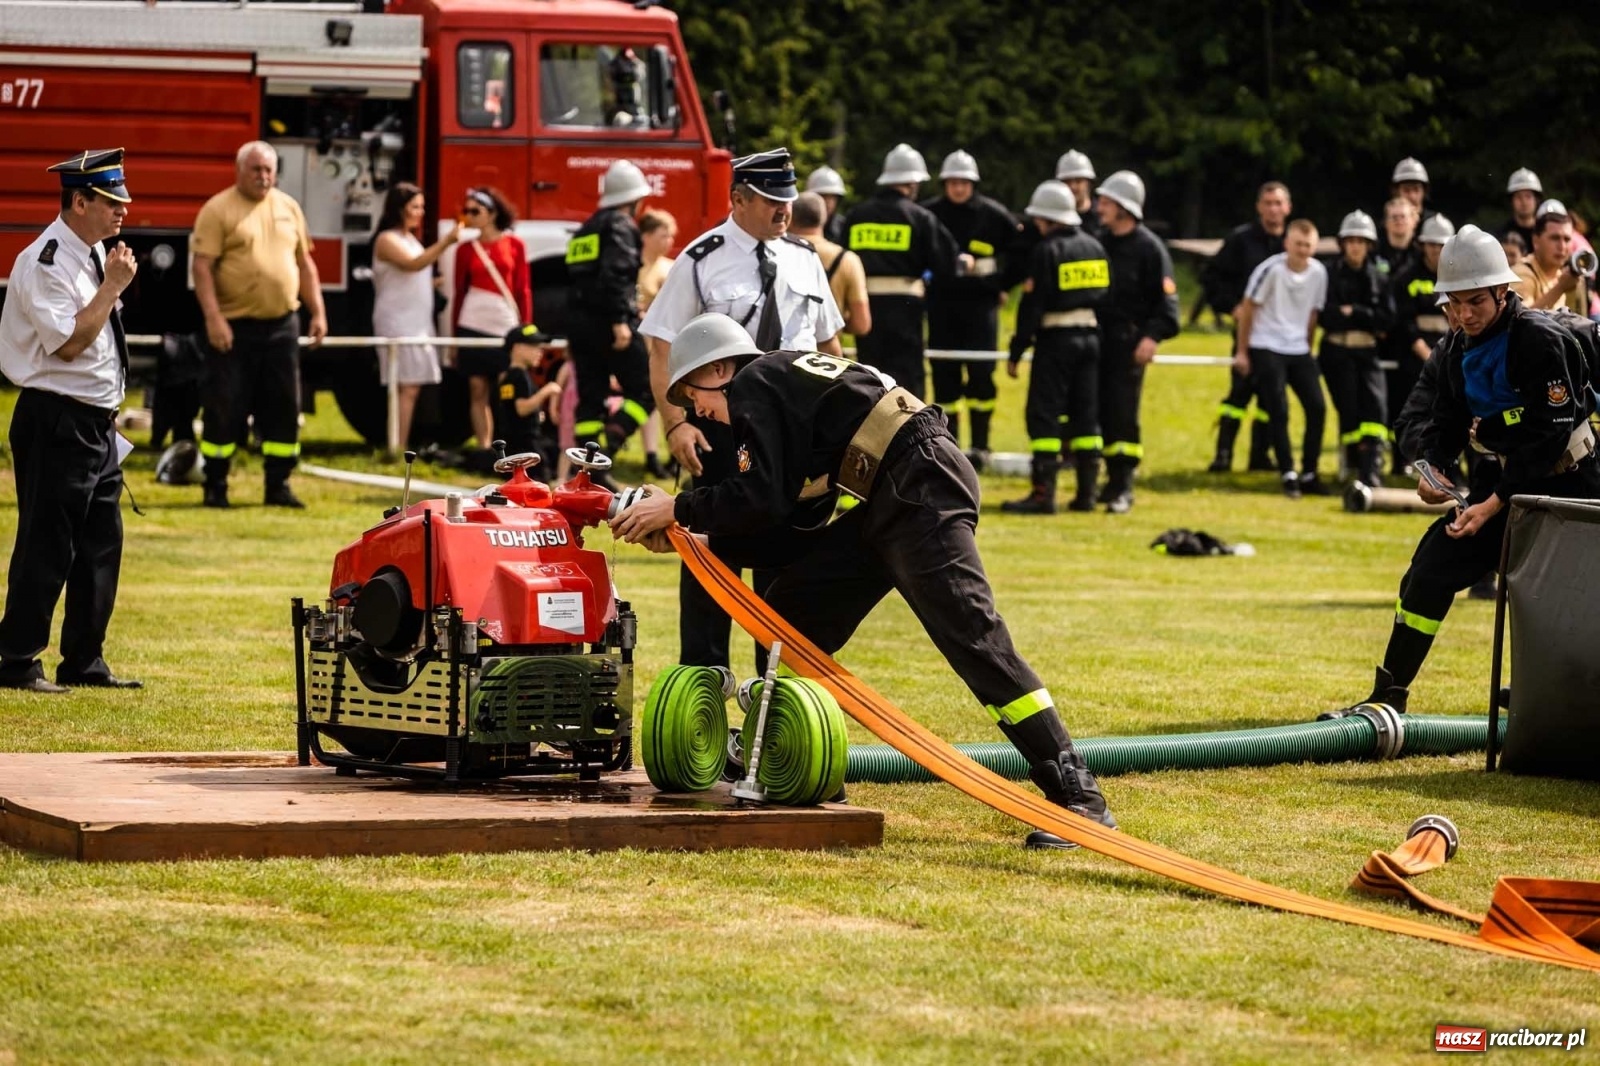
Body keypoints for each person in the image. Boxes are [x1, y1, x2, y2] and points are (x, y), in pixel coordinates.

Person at [611, 312, 1118, 849]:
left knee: (973, 637)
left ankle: (1078, 796)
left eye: (694, 398)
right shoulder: (788, 394)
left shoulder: (755, 382)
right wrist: (704, 542)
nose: (701, 413)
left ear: (716, 370)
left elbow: (761, 498)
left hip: (918, 485)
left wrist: (679, 509)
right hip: (895, 491)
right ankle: (794, 763)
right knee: (789, 612)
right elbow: (789, 529)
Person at [1323, 225, 1598, 718]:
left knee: (1565, 597)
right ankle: (1389, 696)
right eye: (1453, 304)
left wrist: (1492, 504)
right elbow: (1443, 423)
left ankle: (1552, 697)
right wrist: (1434, 469)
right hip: (1509, 487)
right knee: (1431, 567)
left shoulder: (1537, 339)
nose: (1463, 315)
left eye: (1475, 302)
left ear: (1502, 291)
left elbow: (1548, 434)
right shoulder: (1453, 349)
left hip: (1572, 485)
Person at [639, 146, 845, 671]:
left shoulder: (804, 258)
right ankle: (704, 692)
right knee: (711, 556)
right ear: (738, 199)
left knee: (787, 565)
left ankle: (775, 695)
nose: (784, 211)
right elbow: (662, 346)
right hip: (719, 429)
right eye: (772, 201)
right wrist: (676, 422)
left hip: (793, 434)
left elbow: (830, 350)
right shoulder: (701, 258)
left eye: (788, 201)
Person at [0, 148, 141, 692]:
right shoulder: (47, 258)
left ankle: (85, 660)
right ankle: (16, 660)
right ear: (78, 201)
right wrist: (112, 288)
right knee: (46, 542)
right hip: (57, 415)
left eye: (122, 200)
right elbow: (68, 345)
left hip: (95, 422)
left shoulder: (93, 251)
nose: (121, 210)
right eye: (110, 201)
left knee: (101, 544)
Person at [193, 140, 327, 509]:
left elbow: (304, 265)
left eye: (269, 170)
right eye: (256, 169)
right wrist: (214, 319)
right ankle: (215, 485)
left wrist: (318, 311)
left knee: (284, 406)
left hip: (282, 324)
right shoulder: (218, 209)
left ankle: (278, 485)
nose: (263, 176)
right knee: (224, 407)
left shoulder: (288, 207)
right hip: (233, 327)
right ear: (239, 171)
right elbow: (201, 267)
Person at [1001, 181, 1108, 514]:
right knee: (1086, 416)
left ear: (1047, 219)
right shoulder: (1095, 247)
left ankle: (1042, 495)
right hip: (1091, 340)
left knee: (1044, 416)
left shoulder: (1046, 251)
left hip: (1056, 341)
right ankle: (1087, 494)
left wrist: (1017, 350)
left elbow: (1031, 307)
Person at [843, 143, 966, 401]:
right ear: (911, 184)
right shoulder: (920, 218)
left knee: (869, 376)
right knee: (907, 379)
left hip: (864, 307)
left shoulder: (857, 216)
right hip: (906, 309)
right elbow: (947, 266)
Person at [922, 150, 1022, 466]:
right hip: (942, 308)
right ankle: (948, 446)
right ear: (944, 183)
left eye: (964, 182)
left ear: (973, 184)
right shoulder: (929, 214)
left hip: (981, 309)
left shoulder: (994, 216)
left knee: (982, 378)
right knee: (945, 379)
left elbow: (1021, 250)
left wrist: (1002, 284)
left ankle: (981, 446)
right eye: (952, 182)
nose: (958, 188)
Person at [1093, 170, 1180, 513]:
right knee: (1096, 414)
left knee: (1122, 415)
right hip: (1097, 342)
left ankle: (1123, 486)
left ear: (1125, 208)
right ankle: (1104, 482)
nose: (1100, 207)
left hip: (1129, 346)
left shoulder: (1150, 249)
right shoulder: (1098, 242)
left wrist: (1151, 338)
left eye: (1106, 202)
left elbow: (1168, 306)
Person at [566, 160, 655, 478]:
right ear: (634, 199)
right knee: (648, 389)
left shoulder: (585, 229)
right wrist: (620, 319)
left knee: (591, 397)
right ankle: (607, 449)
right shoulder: (620, 225)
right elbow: (617, 273)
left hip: (580, 325)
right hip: (610, 323)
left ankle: (585, 470)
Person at [1233, 219, 1329, 497]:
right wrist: (1243, 351)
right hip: (1266, 344)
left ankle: (1309, 471)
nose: (1302, 250)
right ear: (1287, 243)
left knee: (1317, 407)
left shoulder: (1319, 273)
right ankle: (1288, 472)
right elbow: (1248, 308)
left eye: (1308, 246)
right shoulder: (1270, 270)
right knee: (1279, 409)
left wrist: (1308, 348)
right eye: (1298, 244)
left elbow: (1313, 313)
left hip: (1298, 348)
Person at [1204, 182, 1292, 473]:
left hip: (1280, 337)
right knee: (1238, 395)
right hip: (1247, 333)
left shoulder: (1293, 245)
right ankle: (1223, 455)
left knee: (1272, 397)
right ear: (1259, 207)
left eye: (1278, 203)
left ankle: (1260, 456)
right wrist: (1232, 307)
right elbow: (1212, 278)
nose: (1273, 209)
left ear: (1287, 208)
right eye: (1268, 203)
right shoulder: (1241, 241)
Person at [371, 182, 459, 450]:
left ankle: (401, 442)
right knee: (405, 386)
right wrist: (445, 243)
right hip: (398, 319)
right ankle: (396, 446)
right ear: (399, 209)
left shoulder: (411, 239)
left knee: (413, 386)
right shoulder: (386, 239)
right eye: (415, 207)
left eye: (422, 207)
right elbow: (412, 264)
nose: (420, 212)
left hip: (417, 319)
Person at [451, 186, 531, 459]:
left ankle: (507, 444)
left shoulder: (515, 244)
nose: (470, 216)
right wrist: (453, 337)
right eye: (467, 211)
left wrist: (526, 331)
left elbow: (523, 289)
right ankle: (484, 448)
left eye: (475, 210)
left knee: (506, 386)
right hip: (472, 321)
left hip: (504, 323)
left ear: (492, 212)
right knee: (477, 387)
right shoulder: (465, 249)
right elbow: (459, 292)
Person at [1319, 210, 1394, 488]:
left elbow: (1386, 318)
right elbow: (1325, 315)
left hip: (1367, 352)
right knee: (1348, 409)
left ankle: (1370, 468)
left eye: (1361, 241)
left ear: (1369, 245)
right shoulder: (1328, 275)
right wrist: (1363, 316)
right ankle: (1351, 463)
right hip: (1336, 352)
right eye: (1350, 241)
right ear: (1342, 243)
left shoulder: (1379, 278)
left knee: (1376, 409)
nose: (1355, 246)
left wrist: (1353, 312)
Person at [1386, 213, 1456, 474]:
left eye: (1441, 245)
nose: (1436, 251)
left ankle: (1445, 463)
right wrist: (1425, 353)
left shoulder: (1457, 276)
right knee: (1407, 406)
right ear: (1422, 245)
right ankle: (1400, 461)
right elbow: (1403, 321)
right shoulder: (1406, 277)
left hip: (1450, 346)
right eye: (1431, 245)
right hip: (1414, 352)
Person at [788, 192, 870, 339]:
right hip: (828, 354)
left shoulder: (777, 252)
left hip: (782, 354)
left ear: (791, 217)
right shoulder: (847, 260)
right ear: (824, 218)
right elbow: (861, 324)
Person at [636, 208, 678, 478]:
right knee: (645, 398)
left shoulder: (670, 268)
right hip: (639, 343)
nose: (669, 242)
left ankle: (675, 454)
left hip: (663, 342)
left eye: (671, 236)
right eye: (664, 235)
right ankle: (650, 454)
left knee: (669, 397)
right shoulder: (632, 265)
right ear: (647, 236)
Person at [494, 324, 564, 468]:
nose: (540, 352)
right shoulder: (518, 375)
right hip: (523, 442)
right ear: (517, 348)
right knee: (539, 474)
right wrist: (547, 391)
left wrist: (536, 412)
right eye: (534, 347)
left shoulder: (513, 374)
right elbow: (521, 409)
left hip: (518, 440)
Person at [1510, 200, 1591, 315]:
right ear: (1535, 241)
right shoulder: (1522, 274)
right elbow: (1522, 322)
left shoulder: (1565, 276)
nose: (1562, 246)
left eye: (1567, 239)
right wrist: (1560, 288)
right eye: (1554, 238)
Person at [1053, 150, 1102, 240]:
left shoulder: (1102, 215)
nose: (1073, 186)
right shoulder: (1052, 217)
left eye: (1078, 181)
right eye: (1067, 181)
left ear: (1089, 183)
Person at [1495, 168, 1542, 251]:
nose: (1524, 202)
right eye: (1518, 197)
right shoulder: (1501, 235)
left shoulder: (1544, 233)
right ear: (1511, 201)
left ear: (1536, 200)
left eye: (1528, 196)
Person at [1374, 197, 1419, 284]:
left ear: (1414, 221)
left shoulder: (1422, 253)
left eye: (1403, 217)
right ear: (1385, 222)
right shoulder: (1373, 252)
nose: (1398, 220)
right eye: (1394, 217)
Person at [805, 165, 849, 246]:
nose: (828, 202)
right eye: (823, 196)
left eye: (832, 197)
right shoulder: (799, 224)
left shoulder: (843, 227)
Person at [1390, 157, 1434, 223]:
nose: (1412, 196)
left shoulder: (1435, 225)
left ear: (1424, 191)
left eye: (1416, 190)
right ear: (1396, 192)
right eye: (1406, 190)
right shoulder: (1388, 227)